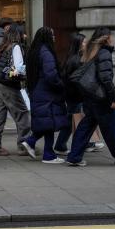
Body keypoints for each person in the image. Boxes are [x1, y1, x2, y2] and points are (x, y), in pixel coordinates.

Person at [67, 27, 115, 167]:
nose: (113, 39)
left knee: (85, 127)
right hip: (102, 98)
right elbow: (105, 78)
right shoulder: (104, 52)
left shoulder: (90, 52)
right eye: (111, 37)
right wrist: (113, 98)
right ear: (106, 38)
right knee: (111, 128)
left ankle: (74, 156)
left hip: (90, 97)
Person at [21, 27, 67, 164]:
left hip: (38, 90)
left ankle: (42, 149)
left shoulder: (34, 51)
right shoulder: (46, 52)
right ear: (47, 37)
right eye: (52, 35)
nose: (54, 37)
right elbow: (51, 74)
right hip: (48, 93)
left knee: (48, 123)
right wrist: (60, 85)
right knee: (49, 122)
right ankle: (46, 153)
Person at [56, 33, 103, 155]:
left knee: (70, 120)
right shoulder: (76, 60)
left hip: (73, 95)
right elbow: (78, 80)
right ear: (77, 44)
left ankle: (61, 145)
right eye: (83, 42)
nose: (86, 43)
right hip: (75, 96)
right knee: (80, 120)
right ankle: (85, 143)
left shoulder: (73, 58)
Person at [0, 27, 31, 156]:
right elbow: (18, 68)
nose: (25, 36)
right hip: (8, 85)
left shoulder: (1, 45)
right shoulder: (15, 47)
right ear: (18, 35)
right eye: (23, 33)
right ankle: (24, 145)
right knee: (22, 113)